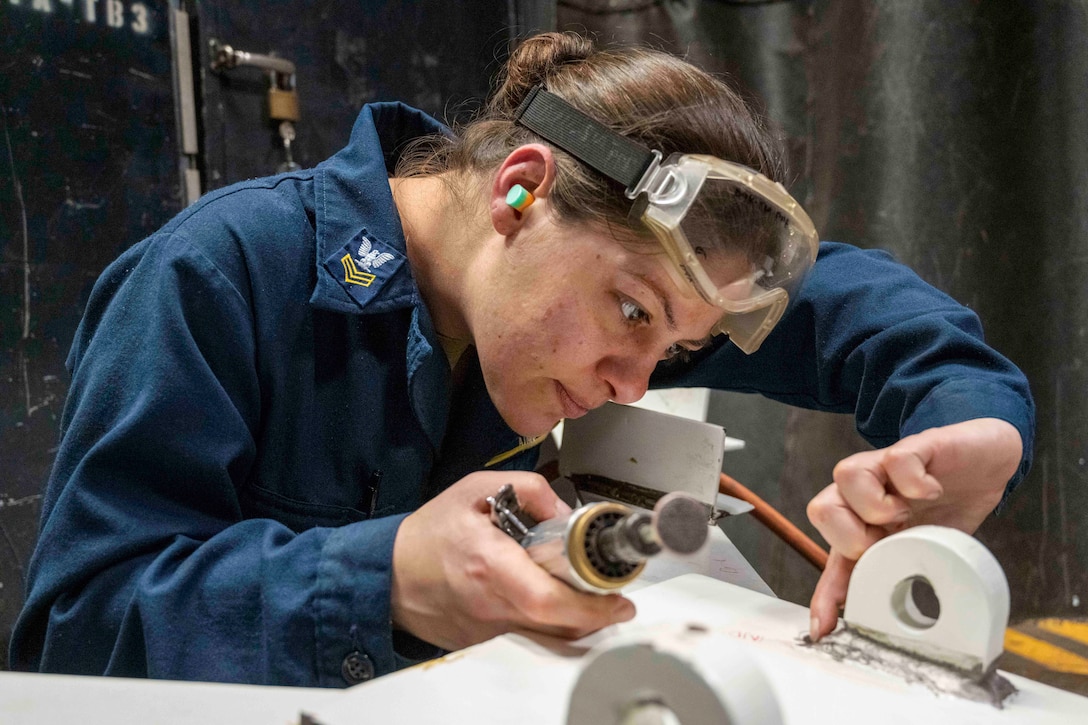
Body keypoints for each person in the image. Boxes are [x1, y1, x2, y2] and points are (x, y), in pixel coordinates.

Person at [10, 32, 1033, 686]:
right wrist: (386, 581)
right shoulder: (221, 274)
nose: (634, 384)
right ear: (518, 190)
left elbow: (852, 299)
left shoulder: (567, 309)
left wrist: (970, 419)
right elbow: (74, 633)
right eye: (633, 313)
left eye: (676, 346)